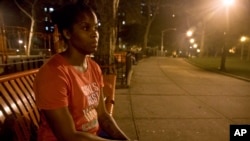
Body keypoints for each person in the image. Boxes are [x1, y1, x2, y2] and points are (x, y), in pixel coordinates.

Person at [33, 3, 130, 141]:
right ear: (67, 33)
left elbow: (102, 115)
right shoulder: (53, 74)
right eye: (86, 27)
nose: (94, 34)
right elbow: (68, 136)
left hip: (93, 135)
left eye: (96, 27)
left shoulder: (94, 67)